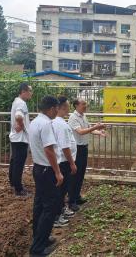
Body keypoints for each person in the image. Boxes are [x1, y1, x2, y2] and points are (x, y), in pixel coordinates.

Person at [28, 96, 63, 256]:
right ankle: (38, 249)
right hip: (47, 170)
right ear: (51, 108)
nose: (58, 110)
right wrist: (57, 172)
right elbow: (49, 150)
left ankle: (39, 238)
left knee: (40, 205)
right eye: (57, 108)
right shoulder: (46, 124)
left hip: (38, 168)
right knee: (50, 208)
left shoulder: (35, 122)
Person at [67, 98, 105, 212]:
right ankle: (71, 201)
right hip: (76, 149)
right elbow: (81, 131)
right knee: (74, 174)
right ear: (76, 106)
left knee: (81, 173)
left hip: (83, 148)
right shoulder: (73, 118)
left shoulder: (83, 116)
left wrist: (99, 132)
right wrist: (95, 127)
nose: (85, 105)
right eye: (83, 104)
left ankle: (77, 196)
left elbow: (89, 129)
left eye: (85, 104)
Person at [52, 96, 78, 228]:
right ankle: (57, 216)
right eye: (68, 106)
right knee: (60, 191)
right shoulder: (60, 124)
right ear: (62, 107)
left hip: (63, 161)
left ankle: (61, 210)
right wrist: (72, 163)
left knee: (63, 190)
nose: (69, 108)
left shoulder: (60, 122)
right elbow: (64, 146)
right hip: (63, 162)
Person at [8, 82, 33, 196]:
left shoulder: (16, 101)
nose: (31, 94)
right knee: (19, 163)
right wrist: (22, 126)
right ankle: (18, 189)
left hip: (16, 138)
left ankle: (13, 182)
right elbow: (18, 116)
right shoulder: (21, 103)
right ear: (24, 92)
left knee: (14, 161)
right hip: (21, 138)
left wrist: (20, 125)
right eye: (30, 91)